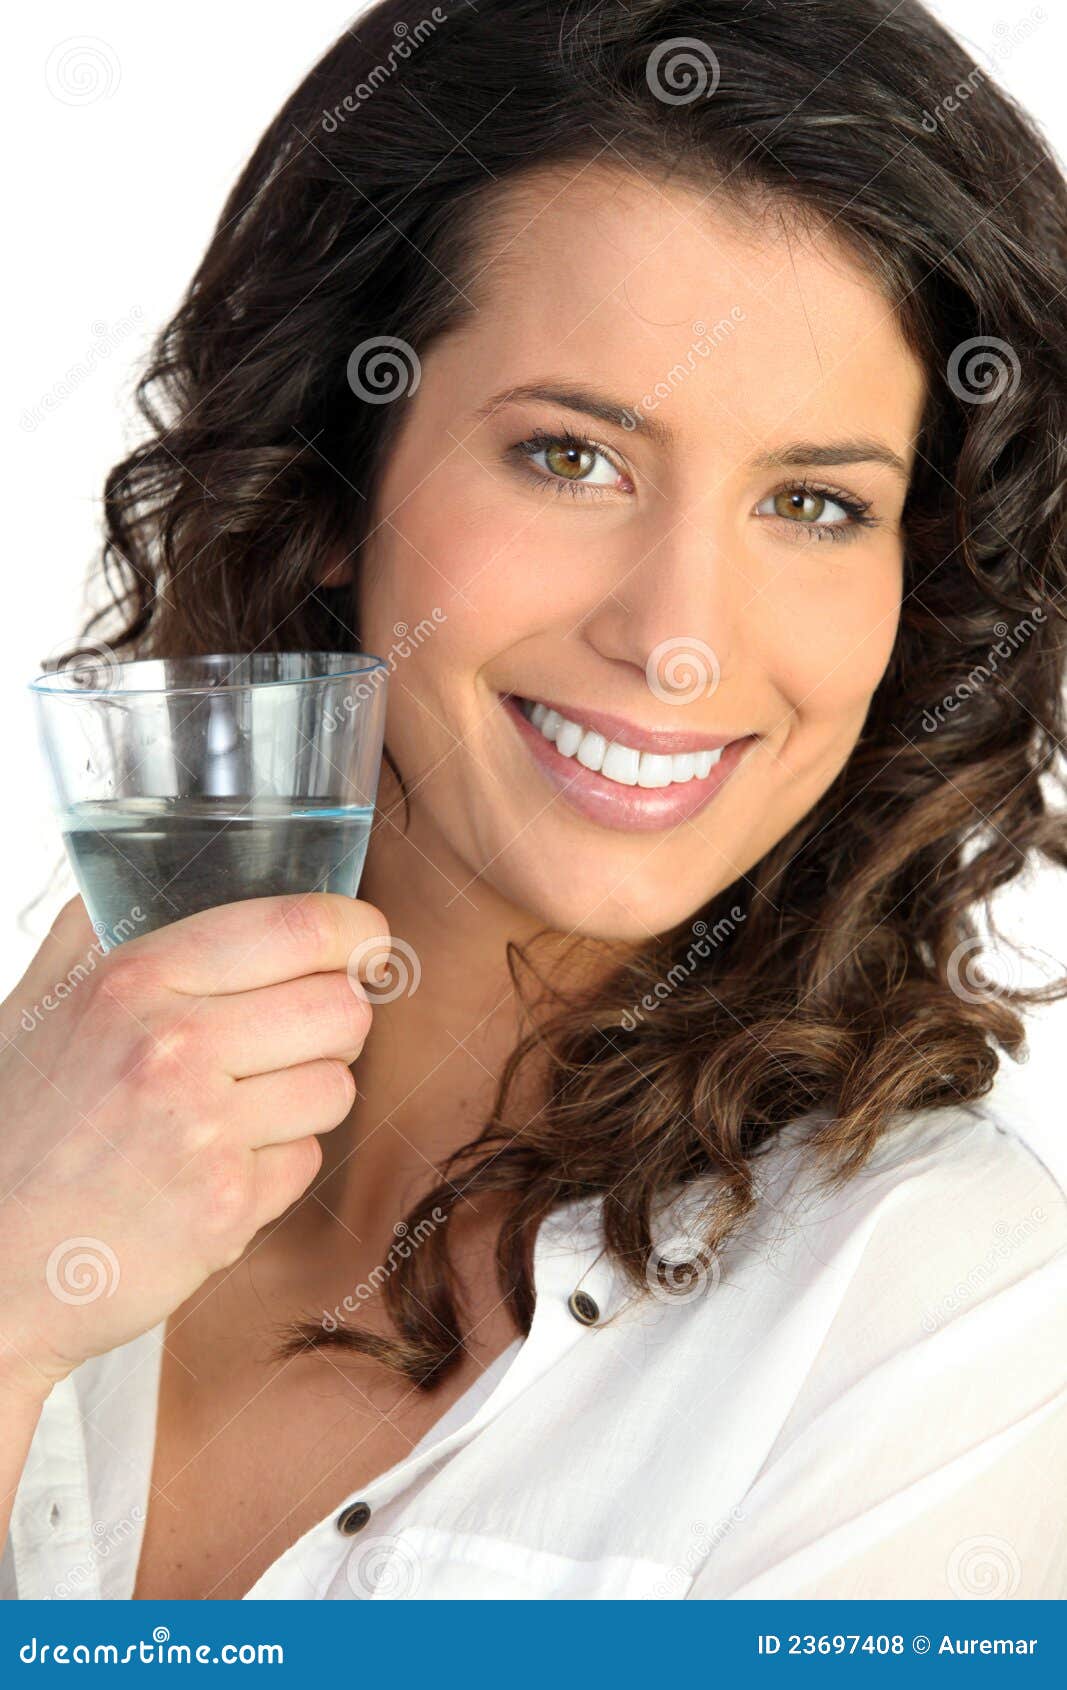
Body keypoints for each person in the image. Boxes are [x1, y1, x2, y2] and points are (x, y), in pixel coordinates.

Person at [2, 0, 1065, 1600]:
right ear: (334, 468)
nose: (680, 641)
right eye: (572, 458)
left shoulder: (934, 1304)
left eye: (814, 502)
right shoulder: (39, 1133)